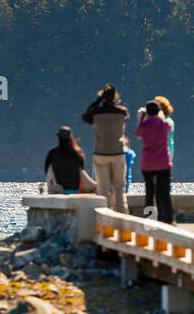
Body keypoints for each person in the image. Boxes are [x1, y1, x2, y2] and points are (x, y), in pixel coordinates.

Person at [81, 83, 129, 212]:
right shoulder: (122, 112)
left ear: (103, 96)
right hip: (118, 153)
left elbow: (85, 116)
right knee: (119, 187)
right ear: (115, 97)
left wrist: (98, 101)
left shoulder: (96, 112)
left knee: (102, 188)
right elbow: (127, 118)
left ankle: (107, 219)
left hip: (101, 153)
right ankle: (122, 215)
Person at [135, 100, 174, 223]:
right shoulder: (164, 124)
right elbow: (169, 130)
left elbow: (137, 134)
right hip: (163, 162)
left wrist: (141, 119)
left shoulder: (144, 125)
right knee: (164, 191)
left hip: (148, 164)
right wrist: (161, 116)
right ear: (159, 111)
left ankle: (150, 219)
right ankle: (167, 217)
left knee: (149, 191)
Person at [43, 126, 86, 195]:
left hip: (58, 190)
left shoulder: (52, 153)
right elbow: (81, 169)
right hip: (75, 190)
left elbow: (47, 171)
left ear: (59, 138)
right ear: (70, 138)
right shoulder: (78, 153)